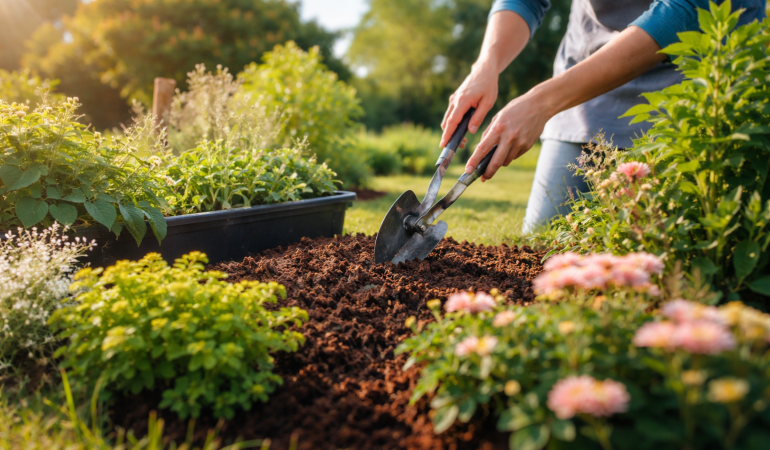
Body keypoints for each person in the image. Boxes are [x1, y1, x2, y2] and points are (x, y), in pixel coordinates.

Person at [439, 0, 766, 234]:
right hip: (585, 88)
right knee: (542, 254)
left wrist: (541, 101)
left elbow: (685, 10)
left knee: (674, 258)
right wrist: (486, 65)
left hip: (698, 96)